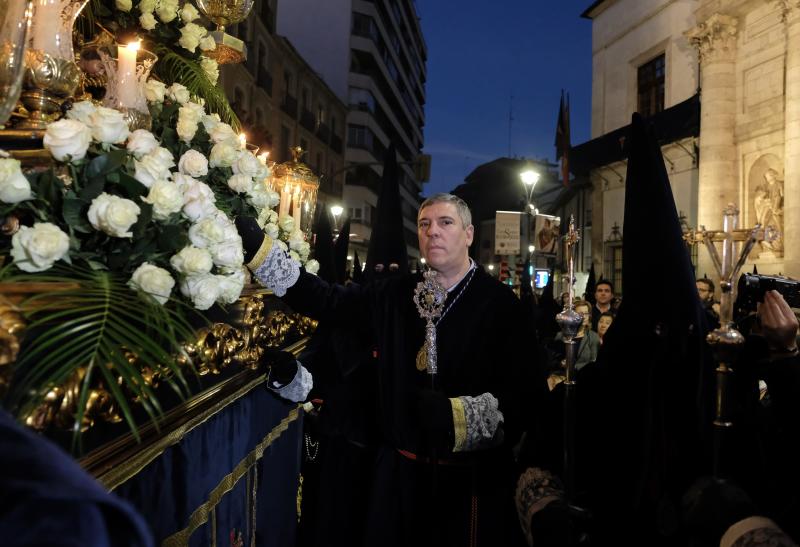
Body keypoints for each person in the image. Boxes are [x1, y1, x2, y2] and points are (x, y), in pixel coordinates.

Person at [238, 193, 539, 546]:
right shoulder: (394, 294)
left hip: (469, 486)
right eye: (425, 224)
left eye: (446, 223)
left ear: (469, 234)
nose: (433, 233)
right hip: (396, 479)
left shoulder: (503, 305)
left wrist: (455, 415)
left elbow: (526, 395)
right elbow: (327, 300)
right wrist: (263, 252)